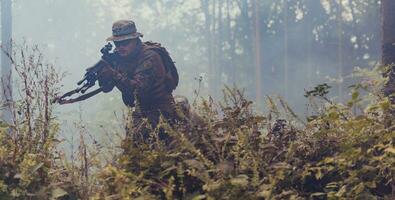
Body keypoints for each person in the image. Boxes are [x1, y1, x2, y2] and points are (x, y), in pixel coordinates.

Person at [97, 20, 180, 141]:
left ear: (135, 40)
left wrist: (113, 73)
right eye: (117, 43)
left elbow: (137, 90)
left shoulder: (150, 57)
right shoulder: (120, 57)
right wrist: (103, 73)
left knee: (141, 140)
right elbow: (106, 88)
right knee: (132, 147)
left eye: (125, 42)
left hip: (161, 110)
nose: (120, 47)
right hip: (141, 110)